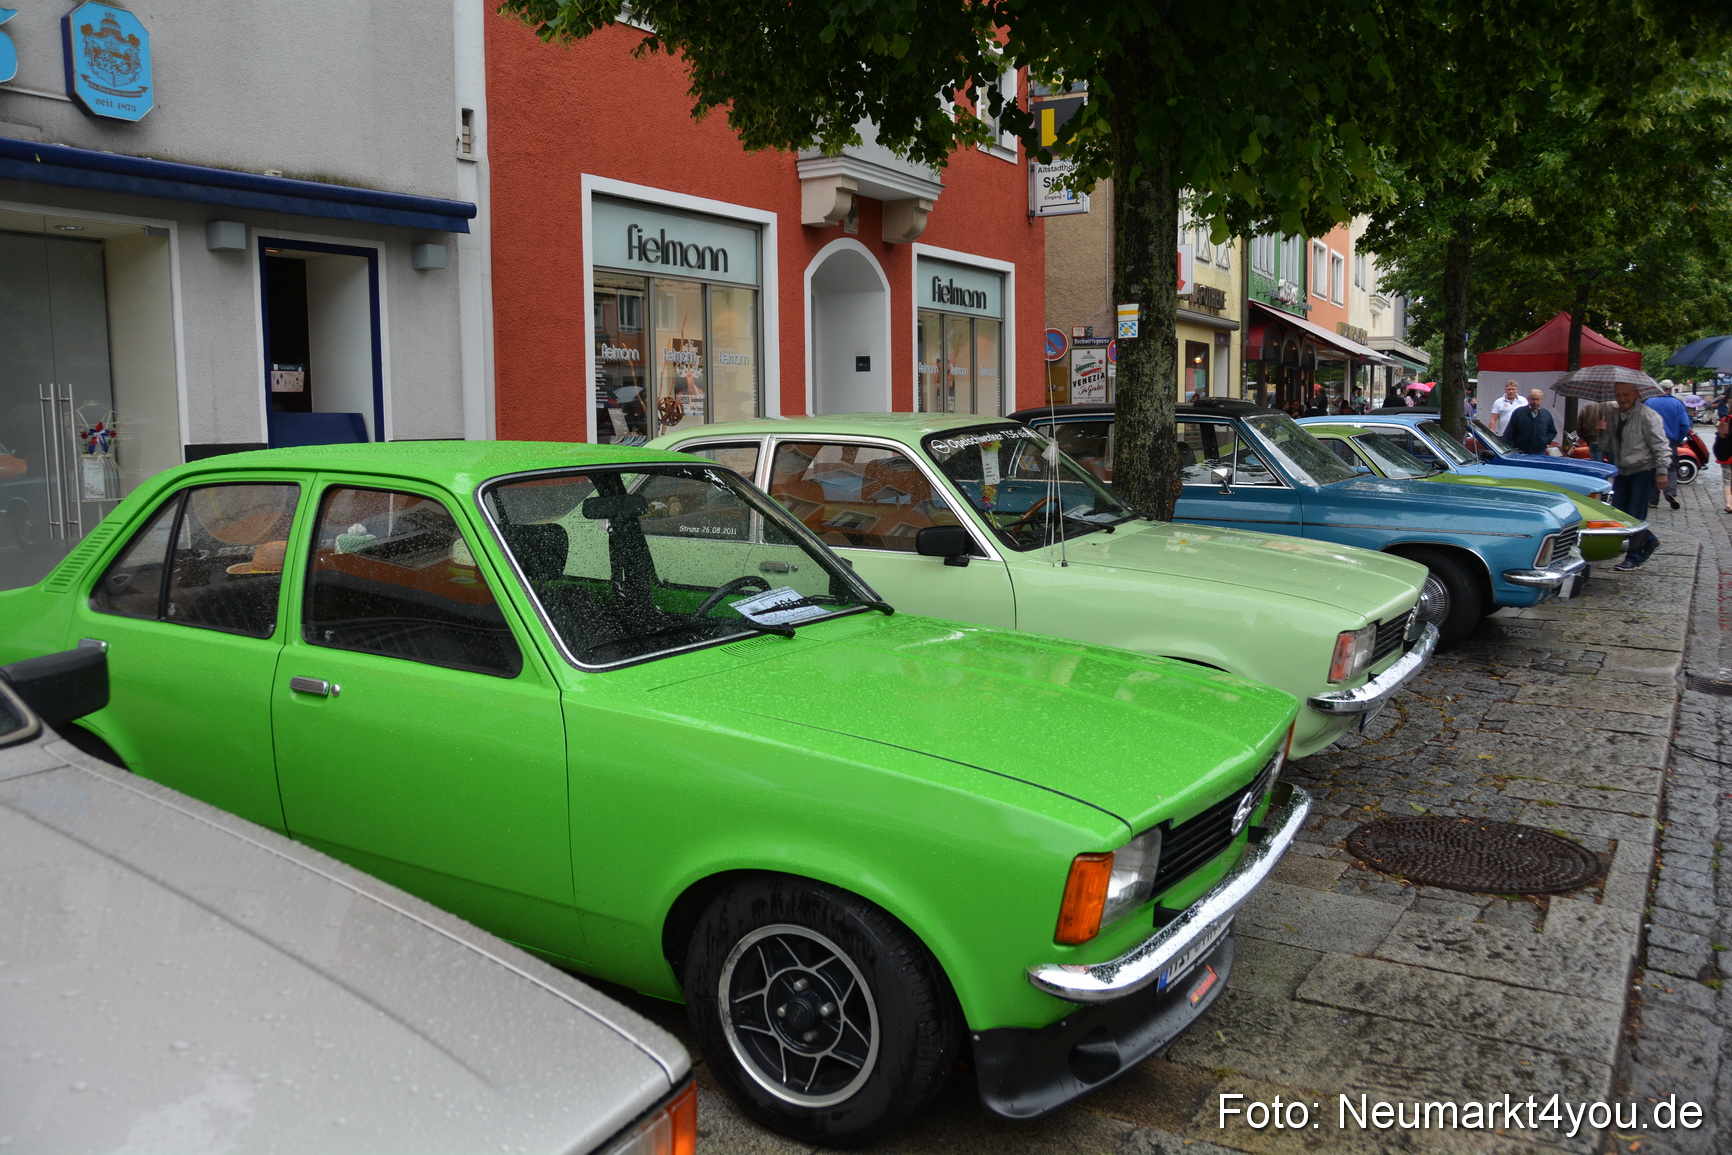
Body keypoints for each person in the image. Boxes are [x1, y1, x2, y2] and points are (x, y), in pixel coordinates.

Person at [1604, 380, 1672, 570]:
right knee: (1619, 514)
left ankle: (1633, 557)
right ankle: (1650, 540)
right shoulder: (1614, 414)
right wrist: (1600, 432)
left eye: (1625, 394)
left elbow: (1660, 445)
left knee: (1635, 515)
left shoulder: (1648, 415)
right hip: (1623, 470)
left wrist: (1661, 471)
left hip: (1643, 470)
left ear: (1636, 394)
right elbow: (1607, 445)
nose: (1622, 399)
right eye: (1618, 395)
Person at [1646, 381, 1692, 510]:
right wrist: (1678, 437)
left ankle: (1653, 500)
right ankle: (1670, 492)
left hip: (1651, 441)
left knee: (1653, 468)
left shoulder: (1649, 402)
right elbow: (1684, 424)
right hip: (1670, 441)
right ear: (1670, 389)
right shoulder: (1677, 403)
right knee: (1671, 467)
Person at [1505, 390, 1558, 454]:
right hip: (1521, 452)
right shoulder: (1519, 412)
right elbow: (1509, 432)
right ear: (1528, 399)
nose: (1535, 402)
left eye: (1537, 399)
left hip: (1539, 452)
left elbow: (1552, 431)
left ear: (1542, 400)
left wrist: (1545, 441)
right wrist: (1513, 447)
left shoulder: (1546, 414)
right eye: (1533, 399)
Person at [1716, 411, 1732, 514]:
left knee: (1727, 481)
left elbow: (1719, 436)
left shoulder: (1725, 419)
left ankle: (1729, 504)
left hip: (1726, 456)